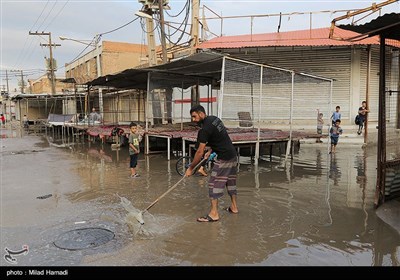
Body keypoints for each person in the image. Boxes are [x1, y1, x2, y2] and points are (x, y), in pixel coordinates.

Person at [185, 105, 238, 222]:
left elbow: (199, 152)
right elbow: (220, 137)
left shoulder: (204, 130)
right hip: (233, 155)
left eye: (194, 116)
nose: (193, 120)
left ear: (201, 113)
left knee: (213, 184)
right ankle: (234, 207)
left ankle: (214, 214)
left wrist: (191, 168)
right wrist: (211, 150)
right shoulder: (215, 119)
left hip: (224, 158)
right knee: (230, 182)